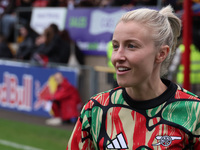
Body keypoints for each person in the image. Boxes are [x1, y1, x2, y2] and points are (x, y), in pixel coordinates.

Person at [67, 5, 200, 149]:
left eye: (131, 46)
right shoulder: (95, 110)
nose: (118, 56)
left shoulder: (194, 112)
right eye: (116, 46)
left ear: (161, 54)